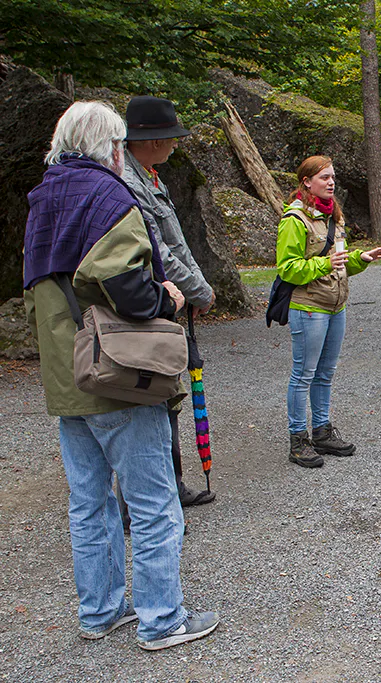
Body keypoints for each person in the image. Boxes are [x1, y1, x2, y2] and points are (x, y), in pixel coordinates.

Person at [23, 101, 218, 650]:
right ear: (110, 145)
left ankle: (100, 612)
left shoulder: (43, 199)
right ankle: (162, 619)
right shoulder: (108, 195)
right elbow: (126, 287)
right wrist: (169, 295)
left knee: (89, 504)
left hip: (68, 375)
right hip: (117, 374)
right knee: (154, 502)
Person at [122, 96, 215, 508]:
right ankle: (148, 497)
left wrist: (196, 288)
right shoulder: (127, 181)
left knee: (170, 392)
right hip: (148, 302)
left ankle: (170, 487)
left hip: (168, 301)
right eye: (171, 137)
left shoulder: (150, 176)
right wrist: (200, 291)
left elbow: (179, 245)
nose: (176, 144)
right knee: (153, 393)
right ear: (153, 140)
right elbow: (161, 251)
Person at [278, 155, 381, 468]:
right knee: (303, 375)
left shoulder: (333, 216)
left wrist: (360, 259)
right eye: (324, 177)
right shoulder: (294, 220)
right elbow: (288, 269)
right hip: (309, 306)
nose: (331, 182)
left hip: (336, 305)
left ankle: (322, 432)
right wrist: (324, 264)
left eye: (333, 177)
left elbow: (339, 263)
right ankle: (298, 441)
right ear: (307, 182)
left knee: (325, 373)